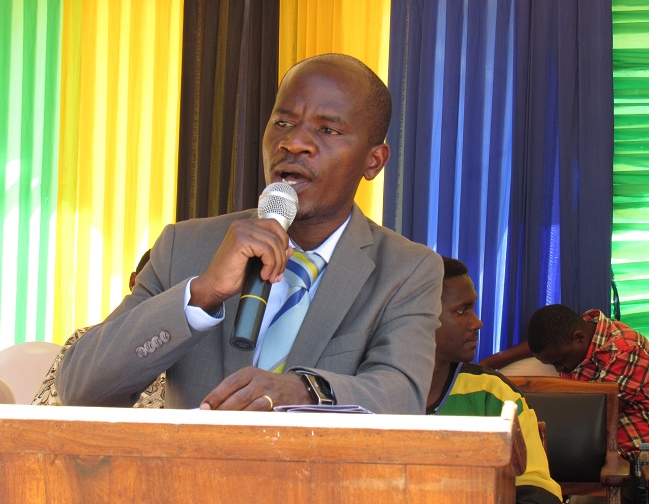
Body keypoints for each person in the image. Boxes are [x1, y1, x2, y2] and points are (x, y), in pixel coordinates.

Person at [56, 53, 443, 414]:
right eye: (283, 123)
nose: (293, 143)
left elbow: (401, 395)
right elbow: (80, 390)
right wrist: (201, 294)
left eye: (327, 129)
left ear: (373, 161)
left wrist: (304, 390)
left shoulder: (407, 270)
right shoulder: (183, 247)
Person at [428, 257, 562, 504]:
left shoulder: (494, 394)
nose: (477, 323)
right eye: (462, 310)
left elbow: (537, 489)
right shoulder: (369, 392)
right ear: (418, 315)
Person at [527, 304, 649, 464]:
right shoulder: (576, 333)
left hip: (637, 455)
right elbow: (546, 343)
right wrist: (501, 359)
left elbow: (594, 417)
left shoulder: (627, 349)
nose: (559, 369)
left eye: (559, 361)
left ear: (579, 338)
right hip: (594, 447)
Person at [34, 250, 165, 408]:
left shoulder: (180, 348)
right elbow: (47, 407)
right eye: (152, 287)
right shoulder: (84, 341)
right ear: (133, 282)